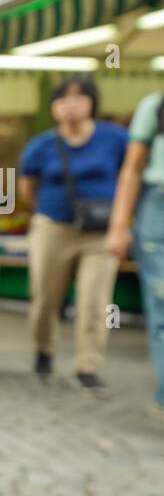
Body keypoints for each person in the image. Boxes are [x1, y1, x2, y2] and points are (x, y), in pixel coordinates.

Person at [19, 76, 128, 393]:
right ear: (53, 108)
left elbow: (129, 175)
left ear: (93, 103)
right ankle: (44, 349)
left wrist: (122, 225)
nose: (71, 105)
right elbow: (26, 188)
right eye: (63, 100)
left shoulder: (115, 138)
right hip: (53, 228)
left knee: (95, 301)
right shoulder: (41, 145)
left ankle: (88, 365)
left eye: (79, 98)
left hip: (100, 232)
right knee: (44, 297)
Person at [108, 90, 164, 417]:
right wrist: (119, 224)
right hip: (157, 208)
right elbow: (132, 167)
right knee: (161, 302)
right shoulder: (154, 106)